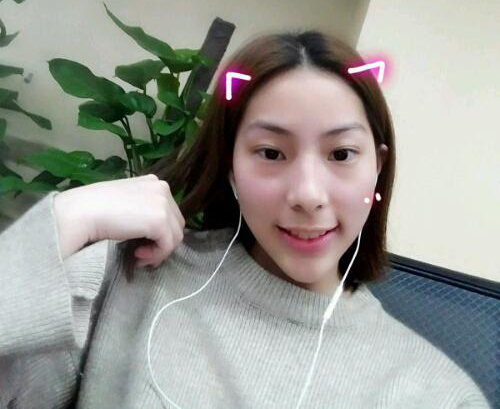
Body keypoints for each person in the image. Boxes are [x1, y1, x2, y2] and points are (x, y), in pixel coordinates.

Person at [0, 30, 490, 408]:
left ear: (377, 167)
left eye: (341, 154)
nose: (307, 195)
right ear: (231, 164)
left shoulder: (437, 393)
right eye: (271, 152)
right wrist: (67, 219)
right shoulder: (126, 278)